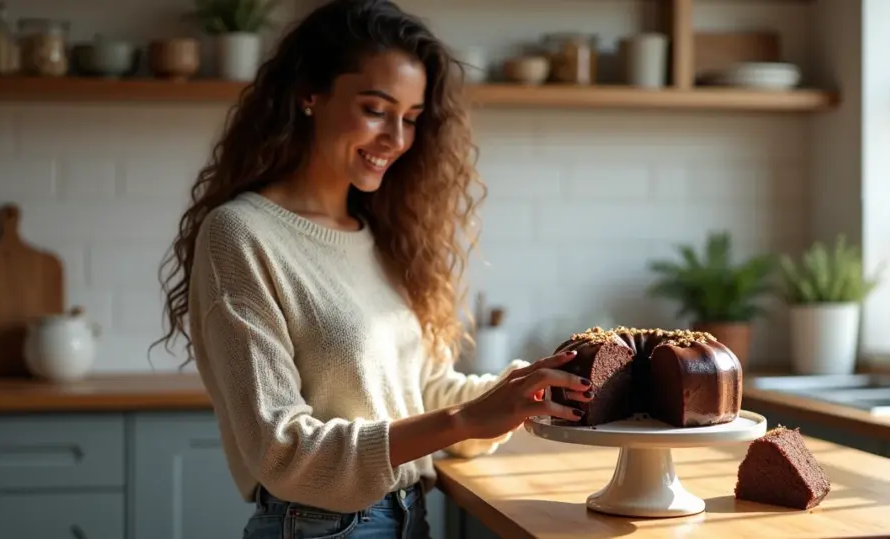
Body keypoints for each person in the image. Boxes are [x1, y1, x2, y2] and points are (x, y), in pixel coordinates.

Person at [154, 0, 593, 537]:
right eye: (375, 108)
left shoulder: (379, 237)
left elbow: (422, 392)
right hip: (320, 527)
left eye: (410, 118)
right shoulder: (241, 235)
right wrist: (465, 420)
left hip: (409, 517)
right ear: (309, 95)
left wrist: (526, 388)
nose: (397, 139)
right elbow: (282, 450)